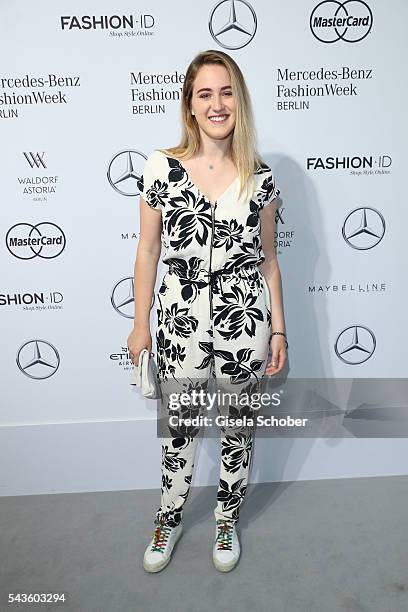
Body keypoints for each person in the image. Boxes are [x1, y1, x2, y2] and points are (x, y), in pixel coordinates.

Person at [127, 49, 288, 573]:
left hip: (247, 321)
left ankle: (226, 517)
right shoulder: (161, 167)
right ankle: (168, 517)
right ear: (189, 106)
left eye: (226, 93)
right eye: (205, 94)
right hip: (178, 319)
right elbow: (148, 250)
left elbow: (268, 260)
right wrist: (139, 322)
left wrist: (280, 330)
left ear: (238, 102)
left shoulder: (260, 177)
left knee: (238, 426)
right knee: (181, 426)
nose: (217, 104)